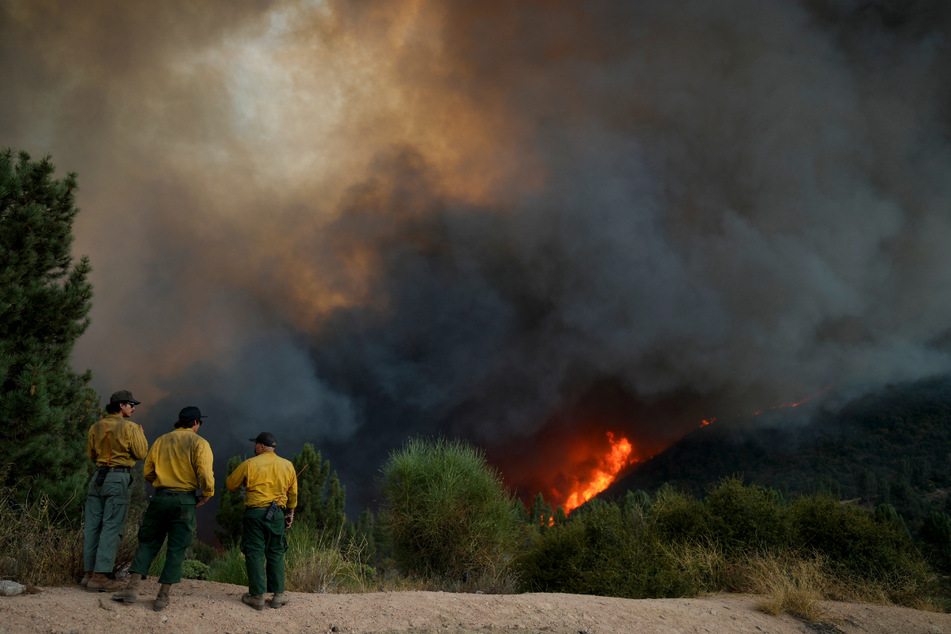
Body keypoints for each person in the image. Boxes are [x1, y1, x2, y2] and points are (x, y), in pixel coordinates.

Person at [111, 406, 214, 611]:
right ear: (195, 423)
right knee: (177, 547)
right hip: (185, 501)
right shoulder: (200, 443)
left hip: (160, 498)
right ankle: (162, 596)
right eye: (199, 422)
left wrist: (161, 483)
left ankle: (131, 589)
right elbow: (205, 472)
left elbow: (148, 471)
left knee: (148, 541)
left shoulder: (161, 440)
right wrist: (207, 493)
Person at [82, 390, 149, 592]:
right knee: (112, 527)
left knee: (92, 527)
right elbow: (141, 453)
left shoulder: (96, 426)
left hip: (97, 478)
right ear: (121, 405)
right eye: (131, 404)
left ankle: (88, 574)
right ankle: (100, 577)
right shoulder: (131, 428)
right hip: (118, 478)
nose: (133, 408)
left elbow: (91, 453)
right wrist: (141, 435)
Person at [226, 432, 298, 610]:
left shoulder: (249, 464)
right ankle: (278, 596)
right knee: (276, 551)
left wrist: (245, 483)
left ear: (261, 447)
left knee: (255, 552)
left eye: (256, 444)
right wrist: (291, 513)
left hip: (255, 515)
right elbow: (293, 494)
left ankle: (257, 596)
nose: (255, 447)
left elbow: (230, 484)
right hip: (277, 515)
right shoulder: (288, 465)